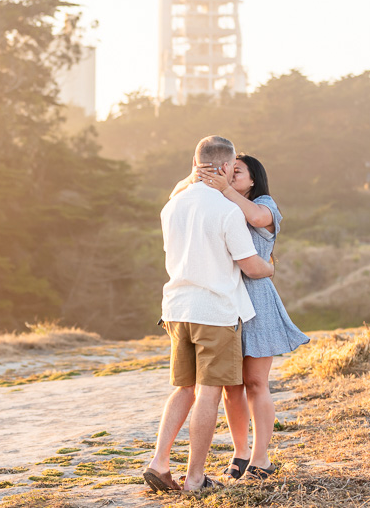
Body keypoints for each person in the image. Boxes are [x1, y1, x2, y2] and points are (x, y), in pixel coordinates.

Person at [142, 136, 275, 494]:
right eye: (233, 167)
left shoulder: (172, 205)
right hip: (214, 311)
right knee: (209, 393)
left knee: (184, 388)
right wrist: (270, 268)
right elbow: (250, 265)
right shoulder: (226, 210)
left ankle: (159, 462)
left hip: (175, 309)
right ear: (224, 167)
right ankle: (196, 478)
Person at [193, 154, 310, 481]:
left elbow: (258, 220)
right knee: (232, 386)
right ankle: (240, 452)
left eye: (237, 171)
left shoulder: (265, 204)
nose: (230, 176)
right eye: (227, 171)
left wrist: (225, 190)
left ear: (253, 178)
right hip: (227, 299)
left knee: (257, 382)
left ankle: (262, 458)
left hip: (257, 299)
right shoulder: (222, 204)